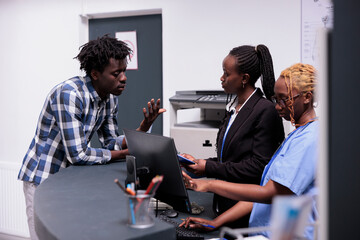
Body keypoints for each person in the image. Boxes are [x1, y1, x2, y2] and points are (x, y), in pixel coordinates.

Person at [17, 35, 165, 240]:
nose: (123, 78)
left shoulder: (110, 98)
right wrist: (124, 152)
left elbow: (110, 142)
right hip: (43, 179)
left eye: (124, 71)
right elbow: (77, 155)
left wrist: (143, 127)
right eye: (116, 73)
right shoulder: (69, 94)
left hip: (69, 181)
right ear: (95, 74)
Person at [181, 63, 318, 240]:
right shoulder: (298, 134)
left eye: (284, 99)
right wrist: (216, 223)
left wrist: (209, 184)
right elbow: (261, 193)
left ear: (307, 97)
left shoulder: (309, 139)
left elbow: (270, 194)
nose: (277, 106)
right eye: (276, 99)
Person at [181, 45, 284, 228]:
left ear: (244, 78)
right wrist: (199, 162)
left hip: (245, 215)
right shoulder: (235, 109)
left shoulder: (265, 110)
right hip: (223, 206)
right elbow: (230, 158)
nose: (222, 78)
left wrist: (209, 168)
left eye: (226, 74)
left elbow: (259, 167)